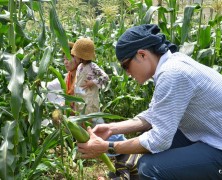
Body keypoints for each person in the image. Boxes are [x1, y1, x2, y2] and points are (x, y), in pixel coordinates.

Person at [77, 24, 222, 180]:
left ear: (142, 55)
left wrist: (108, 147)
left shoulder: (172, 74)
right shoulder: (172, 64)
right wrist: (112, 129)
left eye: (126, 65)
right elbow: (154, 115)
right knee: (145, 144)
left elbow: (159, 140)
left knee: (149, 167)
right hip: (208, 133)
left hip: (217, 144)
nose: (127, 73)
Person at [71, 37, 141, 179]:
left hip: (90, 100)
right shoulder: (79, 67)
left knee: (98, 124)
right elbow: (76, 83)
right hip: (80, 100)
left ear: (82, 55)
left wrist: (93, 82)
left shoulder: (93, 67)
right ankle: (89, 150)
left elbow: (105, 77)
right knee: (84, 125)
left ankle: (121, 145)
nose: (74, 56)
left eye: (76, 54)